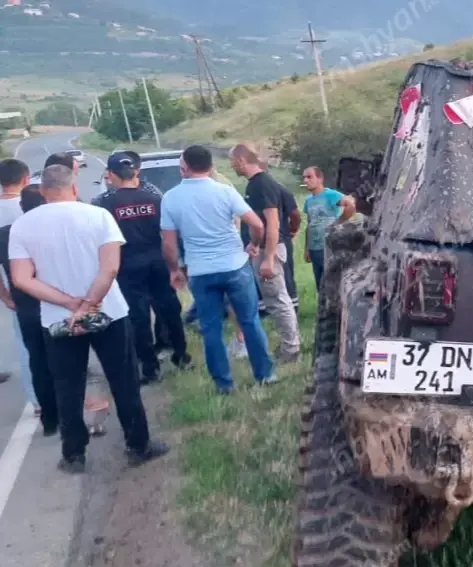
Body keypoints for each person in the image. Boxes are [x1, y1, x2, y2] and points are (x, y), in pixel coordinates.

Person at [9, 165, 168, 473]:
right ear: (74, 186)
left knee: (67, 386)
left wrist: (69, 303)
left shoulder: (23, 226)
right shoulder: (98, 216)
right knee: (123, 380)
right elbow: (110, 268)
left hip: (58, 319)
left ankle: (73, 454)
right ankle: (138, 444)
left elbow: (22, 279)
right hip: (108, 311)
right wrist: (89, 303)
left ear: (42, 191)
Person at [160, 145, 277, 394]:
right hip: (234, 265)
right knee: (249, 321)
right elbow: (257, 224)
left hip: (200, 271)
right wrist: (254, 245)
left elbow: (168, 244)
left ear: (185, 167)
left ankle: (224, 384)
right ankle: (265, 375)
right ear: (210, 166)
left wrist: (175, 269)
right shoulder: (225, 191)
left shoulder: (170, 198)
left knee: (211, 328)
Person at [94, 152, 192, 384]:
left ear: (111, 175)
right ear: (135, 172)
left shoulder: (104, 203)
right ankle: (181, 355)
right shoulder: (155, 197)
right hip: (158, 261)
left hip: (127, 264)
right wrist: (177, 264)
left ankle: (149, 367)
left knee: (138, 317)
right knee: (169, 309)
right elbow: (170, 233)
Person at [228, 143, 301, 363]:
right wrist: (254, 243)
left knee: (278, 300)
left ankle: (291, 349)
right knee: (274, 300)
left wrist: (268, 258)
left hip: (271, 251)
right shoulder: (255, 184)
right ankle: (289, 345)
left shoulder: (262, 184)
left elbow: (272, 223)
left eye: (232, 161)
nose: (231, 166)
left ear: (241, 160)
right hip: (263, 248)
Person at [0, 185, 60, 434]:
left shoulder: (6, 233)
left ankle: (50, 419)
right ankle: (70, 414)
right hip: (58, 303)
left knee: (38, 360)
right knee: (65, 360)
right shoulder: (56, 229)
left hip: (26, 306)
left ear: (21, 206)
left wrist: (5, 297)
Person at [0, 158, 34, 389]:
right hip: (41, 284)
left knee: (25, 344)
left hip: (13, 287)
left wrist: (4, 296)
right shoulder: (30, 206)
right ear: (26, 179)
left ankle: (37, 399)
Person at [300, 166, 348, 292]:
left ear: (320, 178)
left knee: (331, 284)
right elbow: (310, 224)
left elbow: (350, 204)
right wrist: (307, 249)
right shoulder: (308, 201)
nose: (305, 180)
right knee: (319, 285)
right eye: (304, 177)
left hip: (329, 247)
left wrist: (340, 221)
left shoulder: (331, 195)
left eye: (309, 177)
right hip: (314, 248)